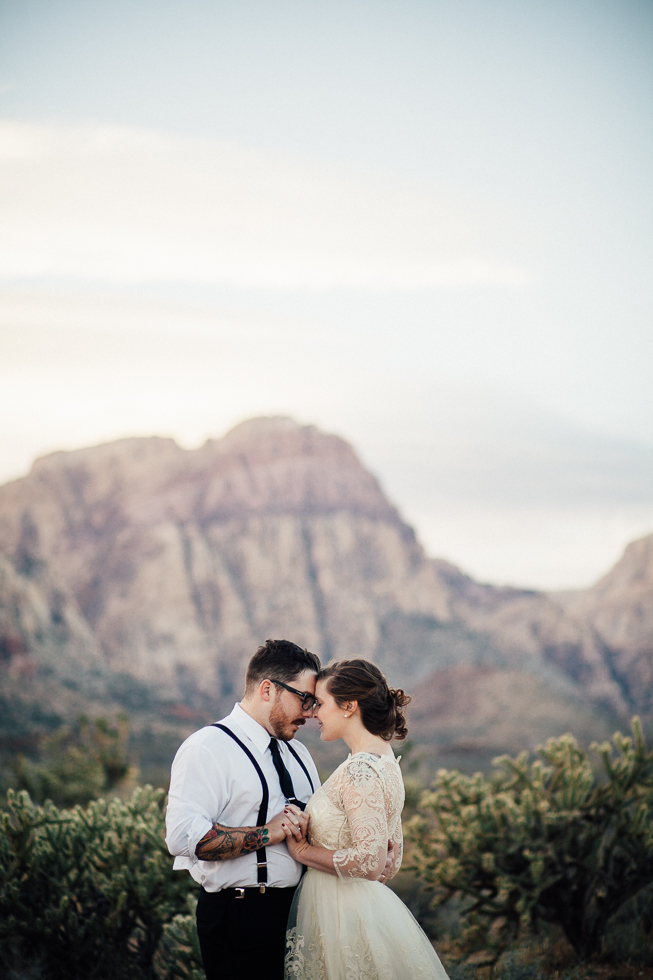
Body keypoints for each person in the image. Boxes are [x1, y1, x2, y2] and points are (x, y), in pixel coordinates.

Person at [282, 659, 450, 980]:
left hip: (341, 916)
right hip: (358, 906)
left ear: (348, 705)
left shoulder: (360, 770)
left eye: (320, 703)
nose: (314, 712)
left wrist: (303, 852)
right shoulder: (387, 762)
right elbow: (392, 859)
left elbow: (372, 863)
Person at [165, 638, 322, 980]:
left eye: (314, 702)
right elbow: (183, 838)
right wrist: (269, 832)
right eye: (304, 699)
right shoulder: (207, 748)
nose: (310, 712)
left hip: (301, 913)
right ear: (268, 689)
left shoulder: (301, 755)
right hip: (239, 916)